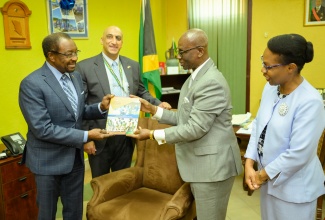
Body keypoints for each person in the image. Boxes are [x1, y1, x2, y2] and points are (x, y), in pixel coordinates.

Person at [127, 28, 242, 220]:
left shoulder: (211, 82)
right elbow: (185, 117)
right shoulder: (194, 77)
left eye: (182, 52)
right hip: (201, 166)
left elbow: (195, 128)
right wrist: (153, 110)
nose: (178, 57)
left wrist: (152, 135)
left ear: (200, 51)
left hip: (213, 169)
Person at [18, 32, 114, 220]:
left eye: (75, 52)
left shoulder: (75, 77)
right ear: (51, 56)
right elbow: (42, 128)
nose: (75, 58)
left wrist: (100, 107)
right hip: (47, 163)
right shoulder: (32, 84)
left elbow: (77, 113)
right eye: (68, 54)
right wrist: (86, 136)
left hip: (74, 161)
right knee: (47, 214)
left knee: (73, 212)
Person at [244, 34, 325, 219]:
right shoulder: (271, 88)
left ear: (291, 68)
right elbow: (258, 126)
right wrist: (249, 163)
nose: (262, 70)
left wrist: (260, 175)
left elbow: (298, 154)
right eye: (262, 62)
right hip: (268, 183)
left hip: (294, 191)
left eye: (269, 66)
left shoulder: (310, 101)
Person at [75, 26, 171, 178]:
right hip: (101, 135)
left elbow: (141, 91)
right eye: (109, 37)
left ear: (122, 43)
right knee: (101, 183)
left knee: (123, 180)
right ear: (101, 40)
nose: (114, 42)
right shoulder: (85, 67)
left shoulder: (132, 65)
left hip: (127, 134)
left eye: (118, 38)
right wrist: (87, 138)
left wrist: (157, 103)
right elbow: (81, 105)